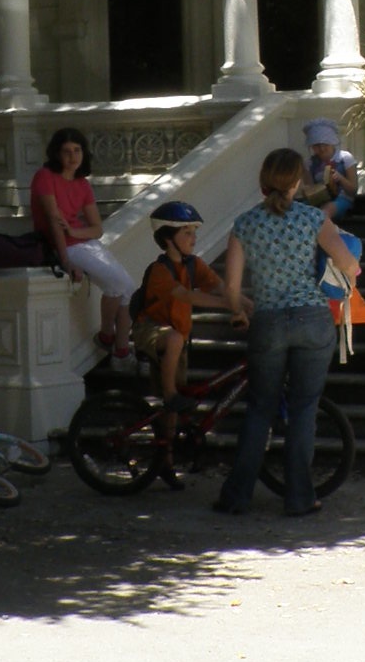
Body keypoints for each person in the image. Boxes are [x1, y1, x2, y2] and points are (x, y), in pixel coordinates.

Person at [214, 147, 360, 519]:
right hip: (312, 320)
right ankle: (299, 497)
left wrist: (239, 312)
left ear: (263, 182)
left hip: (268, 322)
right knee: (304, 409)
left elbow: (231, 288)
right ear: (296, 183)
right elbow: (349, 265)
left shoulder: (244, 224)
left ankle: (236, 496)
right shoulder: (313, 219)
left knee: (260, 409)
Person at [129, 200, 237, 488]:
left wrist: (247, 305)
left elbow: (220, 287)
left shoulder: (193, 265)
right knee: (173, 391)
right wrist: (228, 304)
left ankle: (165, 462)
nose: (193, 238)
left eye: (194, 232)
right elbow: (187, 296)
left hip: (176, 336)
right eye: (186, 233)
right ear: (168, 238)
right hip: (150, 330)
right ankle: (169, 393)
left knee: (173, 413)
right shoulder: (160, 270)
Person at [29, 125, 138, 373]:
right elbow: (54, 222)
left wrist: (74, 231)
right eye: (66, 151)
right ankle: (107, 337)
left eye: (77, 150)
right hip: (60, 245)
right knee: (116, 285)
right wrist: (65, 260)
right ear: (56, 153)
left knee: (129, 289)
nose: (72, 156)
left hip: (83, 242)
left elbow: (97, 229)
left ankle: (119, 350)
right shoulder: (45, 176)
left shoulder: (82, 184)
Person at [298, 118, 361, 220]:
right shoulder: (309, 163)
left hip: (342, 198)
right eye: (317, 145)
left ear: (332, 143)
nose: (322, 149)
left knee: (326, 211)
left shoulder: (345, 158)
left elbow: (353, 190)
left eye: (325, 144)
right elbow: (310, 189)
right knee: (300, 210)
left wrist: (340, 178)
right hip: (318, 200)